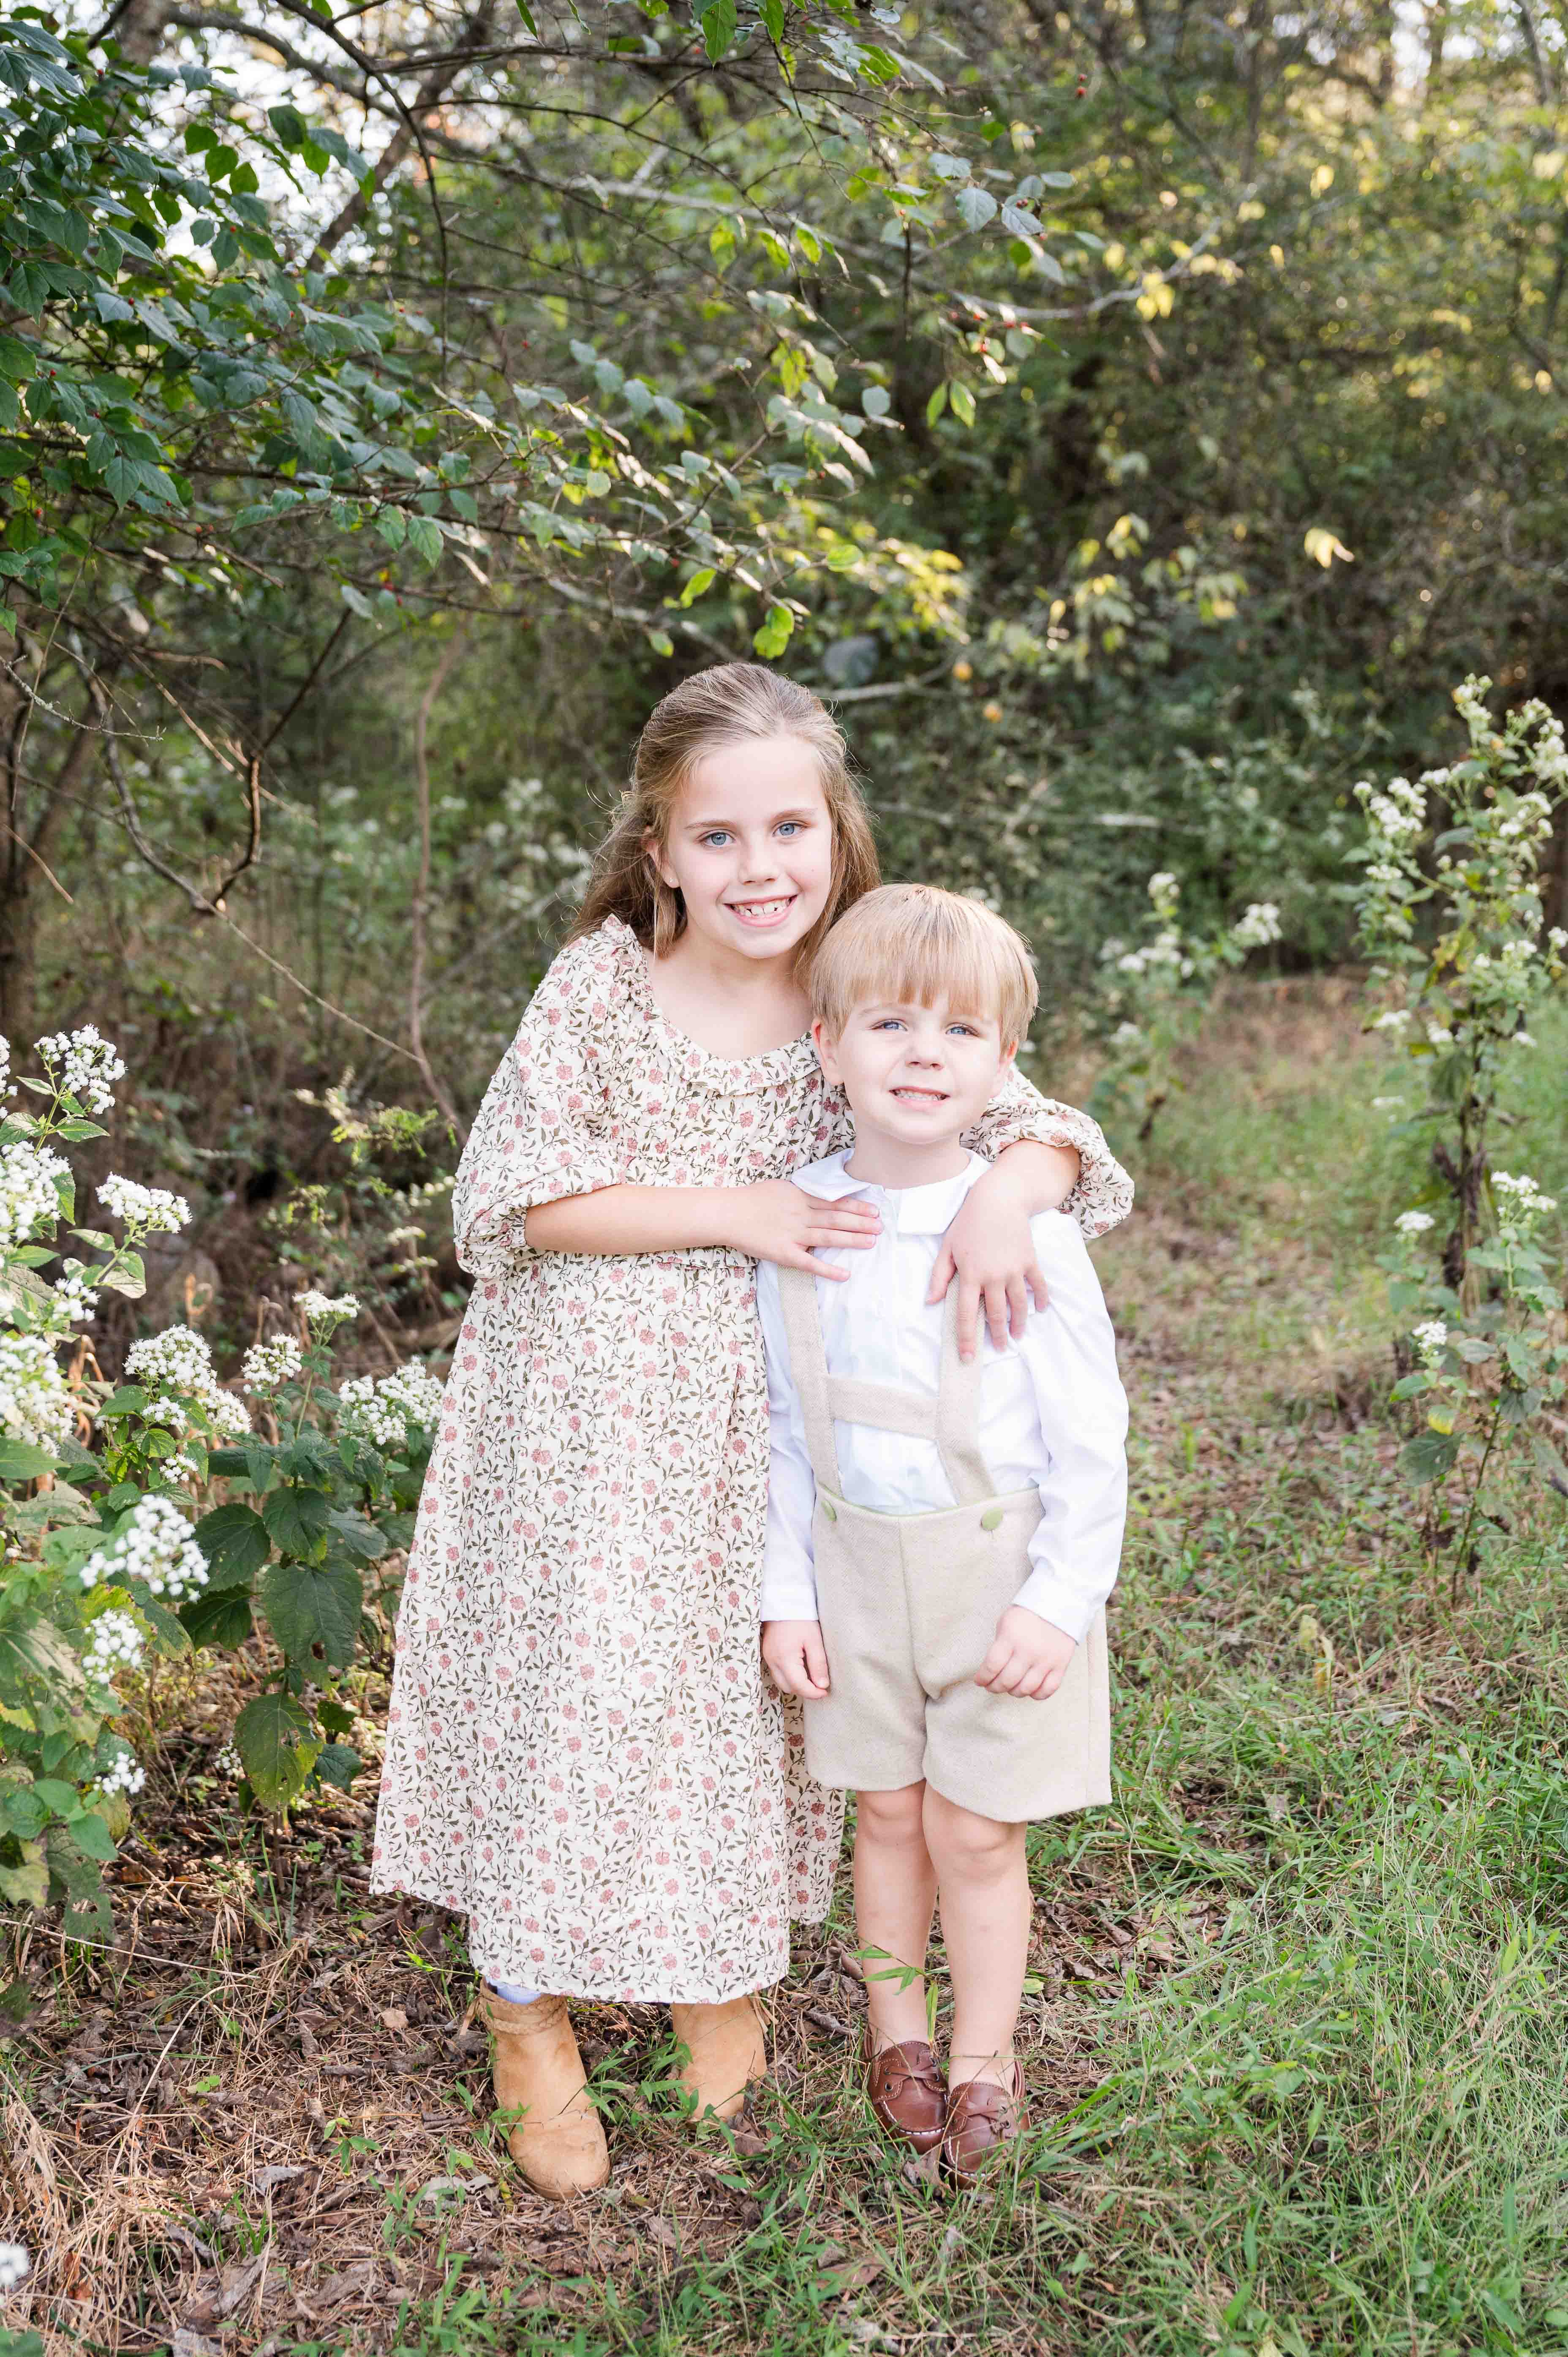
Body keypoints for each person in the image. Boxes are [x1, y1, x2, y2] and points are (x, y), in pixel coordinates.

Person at [370, 665, 1132, 2199]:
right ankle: (529, 2002)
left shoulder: (860, 985)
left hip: (776, 1427)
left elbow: (1037, 1119)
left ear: (836, 829)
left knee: (733, 1710)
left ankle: (712, 1967)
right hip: (587, 1414)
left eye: (790, 824)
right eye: (716, 837)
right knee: (583, 1689)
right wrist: (742, 1210)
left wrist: (1010, 1182)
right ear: (658, 852)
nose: (758, 866)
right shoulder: (602, 982)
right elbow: (502, 1201)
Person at [757, 883, 1128, 2189]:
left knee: (977, 1829)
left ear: (1003, 1066)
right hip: (855, 1564)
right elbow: (784, 1433)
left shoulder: (1025, 1223)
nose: (926, 1051)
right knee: (888, 1812)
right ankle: (894, 2030)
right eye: (893, 1022)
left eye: (962, 1031)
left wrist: (1059, 1597)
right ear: (827, 1044)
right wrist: (785, 1594)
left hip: (996, 1566)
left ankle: (984, 2053)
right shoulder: (793, 1216)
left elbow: (1093, 1439)